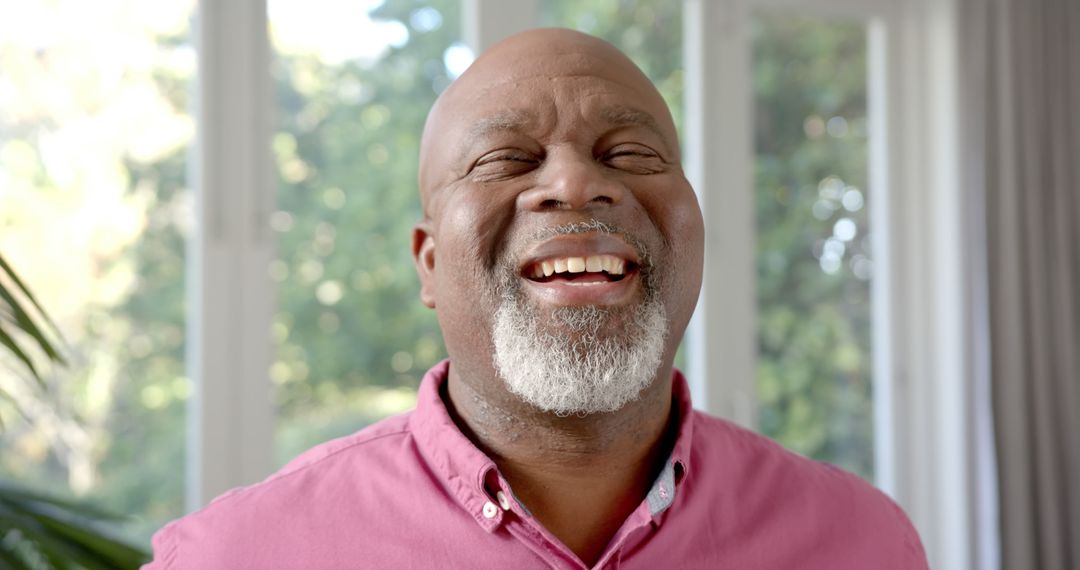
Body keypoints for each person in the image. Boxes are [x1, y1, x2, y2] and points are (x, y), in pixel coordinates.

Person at [144, 28, 928, 569]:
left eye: (629, 152)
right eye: (504, 159)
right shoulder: (231, 556)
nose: (575, 183)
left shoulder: (864, 542)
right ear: (428, 263)